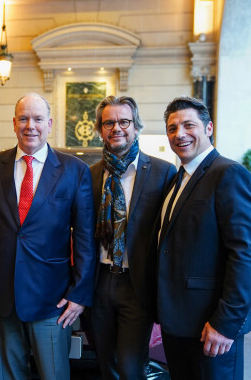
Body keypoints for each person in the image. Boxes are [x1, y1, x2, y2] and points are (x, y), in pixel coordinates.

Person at [0, 92, 96, 380]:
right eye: (23, 118)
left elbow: (84, 237)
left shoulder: (75, 170)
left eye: (38, 119)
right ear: (14, 123)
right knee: (9, 374)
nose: (30, 125)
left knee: (53, 374)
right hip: (2, 294)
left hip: (52, 299)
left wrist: (79, 294)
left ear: (50, 124)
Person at [156, 96, 251, 379]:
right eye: (172, 128)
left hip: (211, 324)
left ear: (209, 128)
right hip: (178, 321)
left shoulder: (228, 174)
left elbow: (245, 254)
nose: (180, 134)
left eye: (189, 125)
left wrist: (225, 323)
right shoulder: (179, 178)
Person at [89, 96, 176, 379]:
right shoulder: (89, 175)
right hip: (97, 282)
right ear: (100, 130)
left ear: (136, 127)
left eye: (124, 121)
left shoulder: (163, 172)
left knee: (130, 367)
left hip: (136, 284)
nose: (117, 128)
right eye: (109, 122)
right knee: (106, 363)